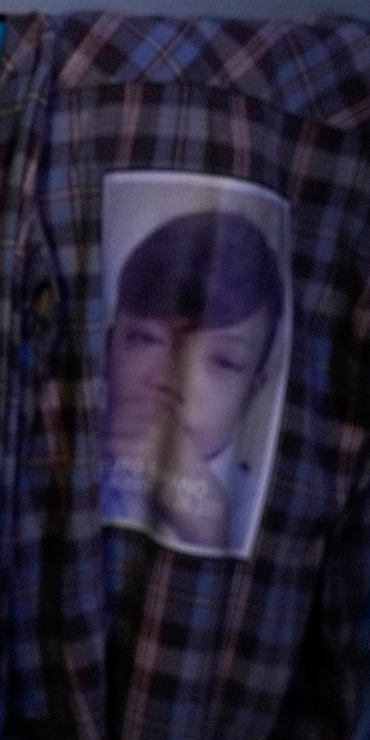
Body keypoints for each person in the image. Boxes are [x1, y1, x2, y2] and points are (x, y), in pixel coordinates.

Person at [101, 208, 285, 554]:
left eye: (222, 361)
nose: (172, 379)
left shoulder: (257, 508)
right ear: (110, 346)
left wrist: (210, 528)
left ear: (253, 390)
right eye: (145, 339)